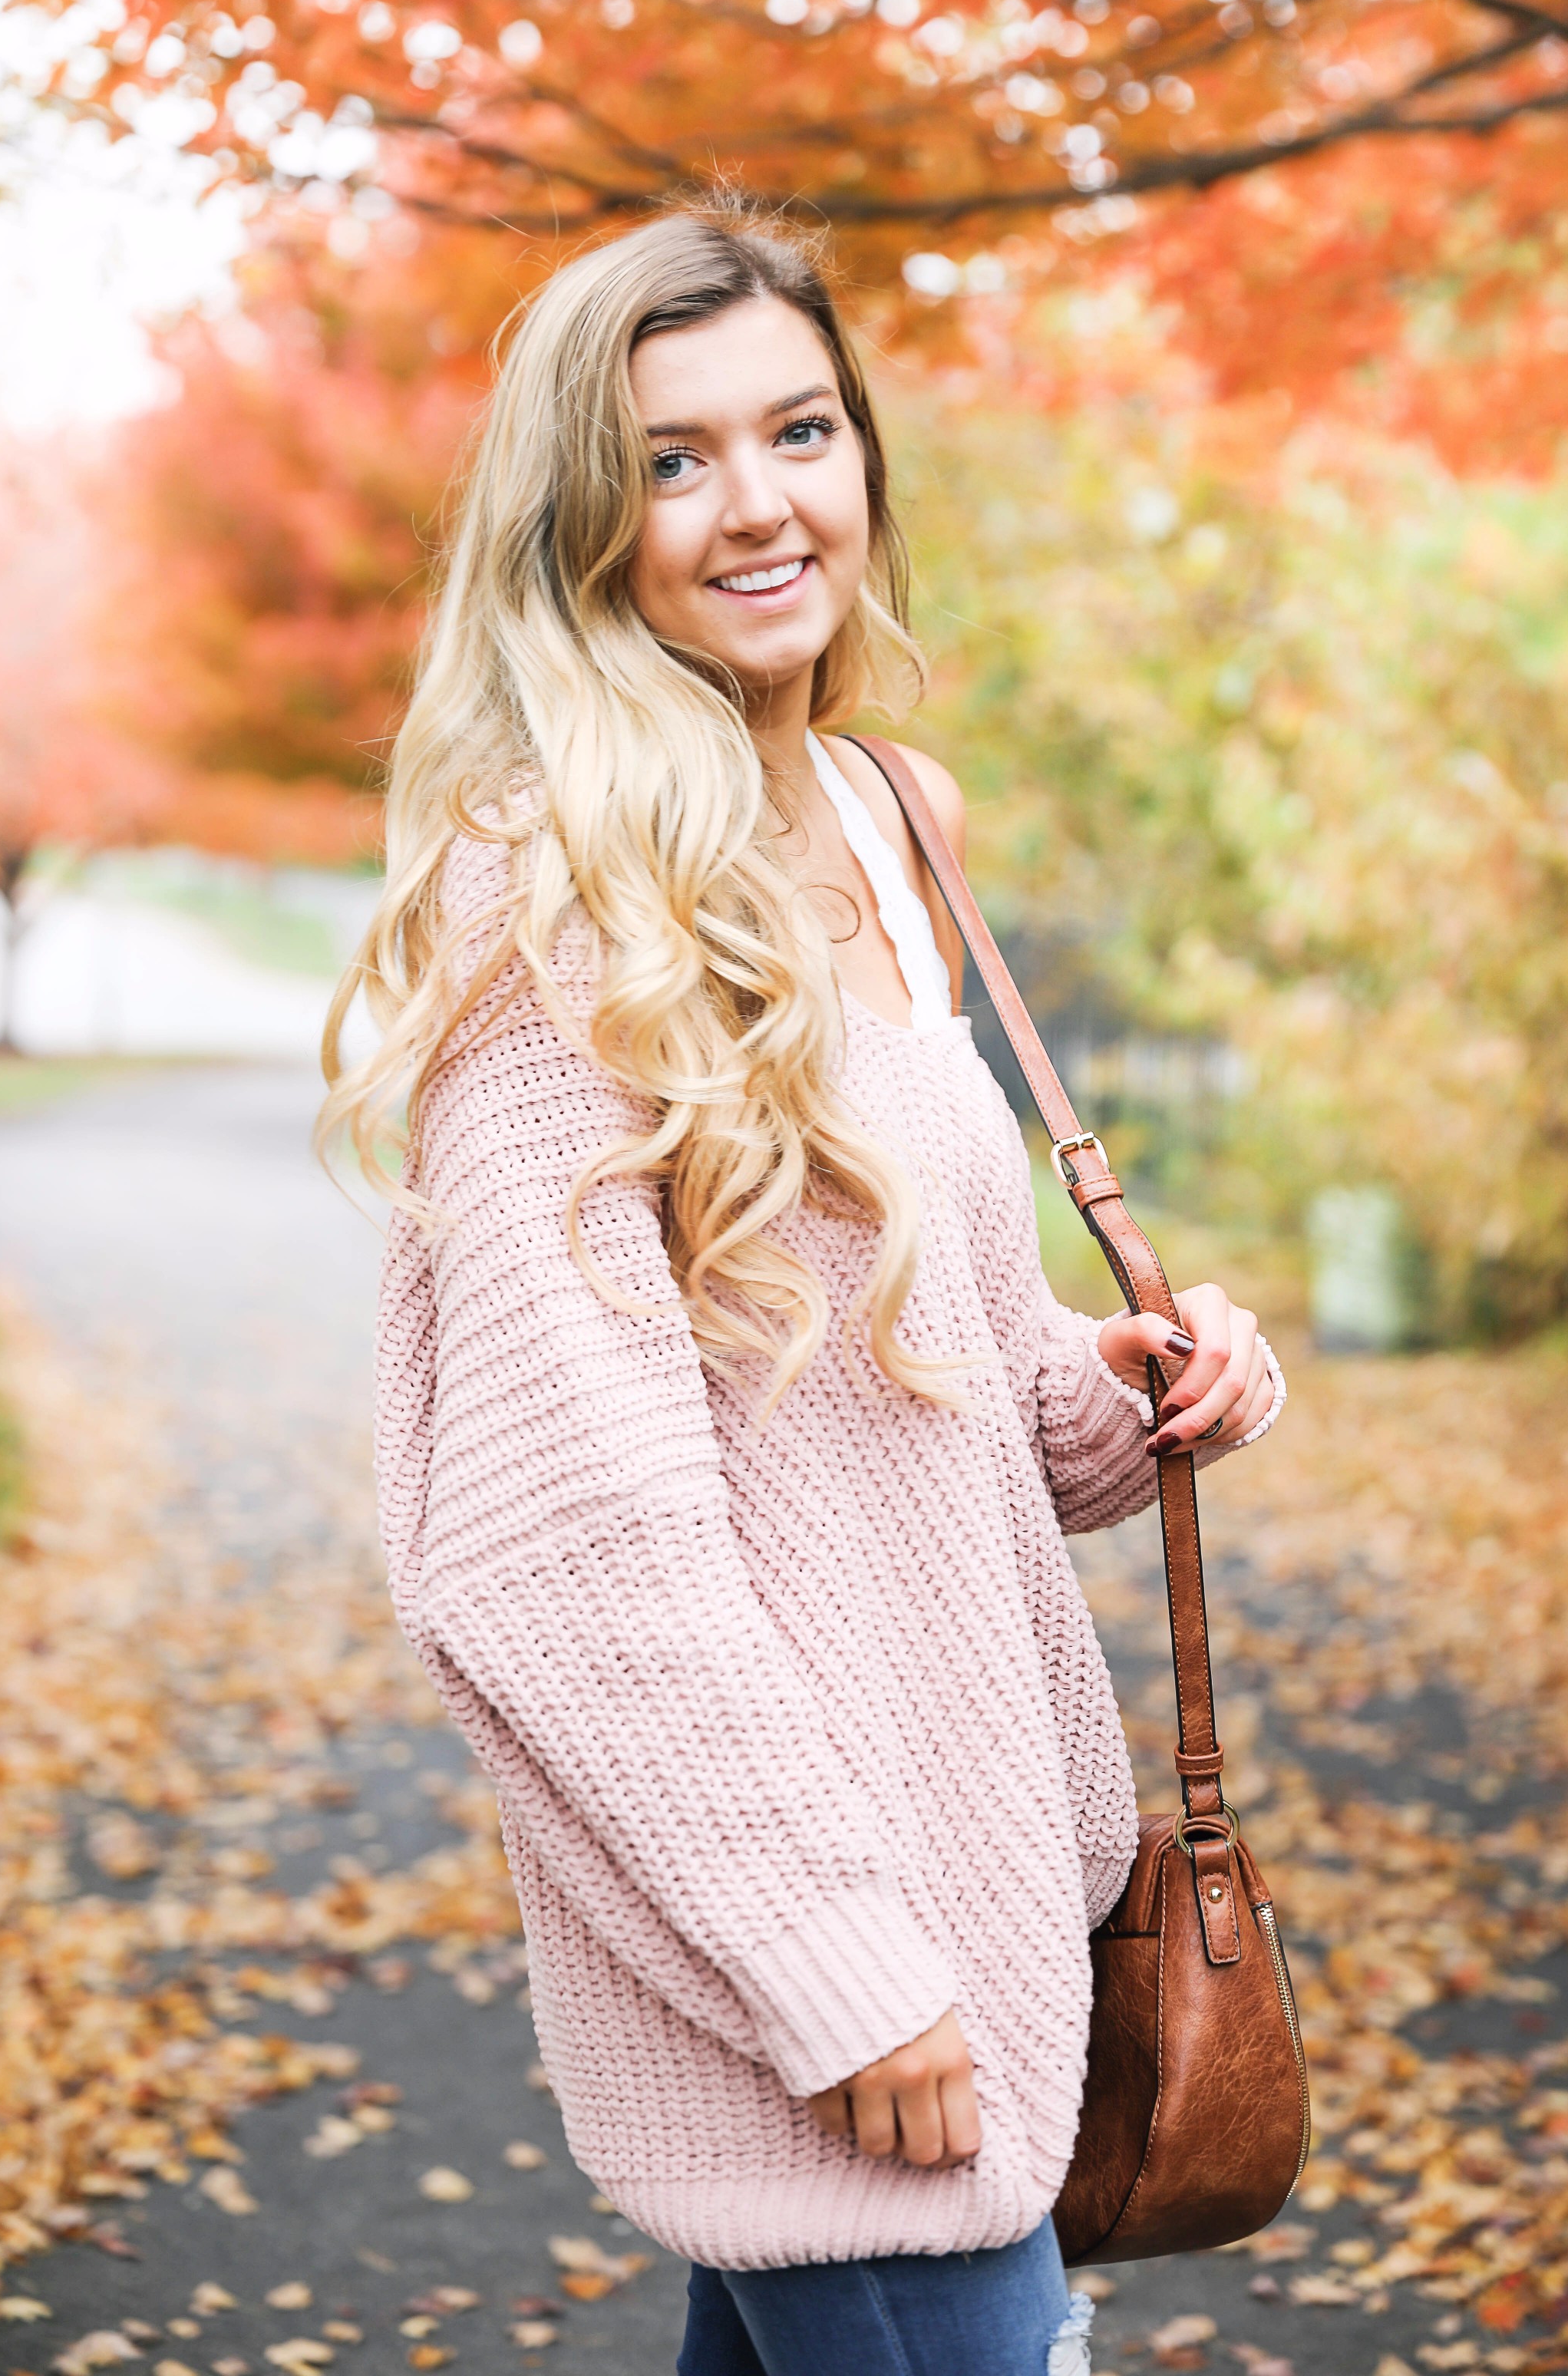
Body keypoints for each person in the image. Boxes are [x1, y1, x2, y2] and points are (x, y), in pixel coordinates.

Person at [322, 203, 1284, 2376]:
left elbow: (932, 1377)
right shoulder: (551, 899)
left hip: (982, 1896)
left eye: (801, 431)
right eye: (673, 460)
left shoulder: (883, 816)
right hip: (831, 1953)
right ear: (582, 520)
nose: (758, 507)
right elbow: (561, 1549)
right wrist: (837, 1962)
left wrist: (1138, 1383)